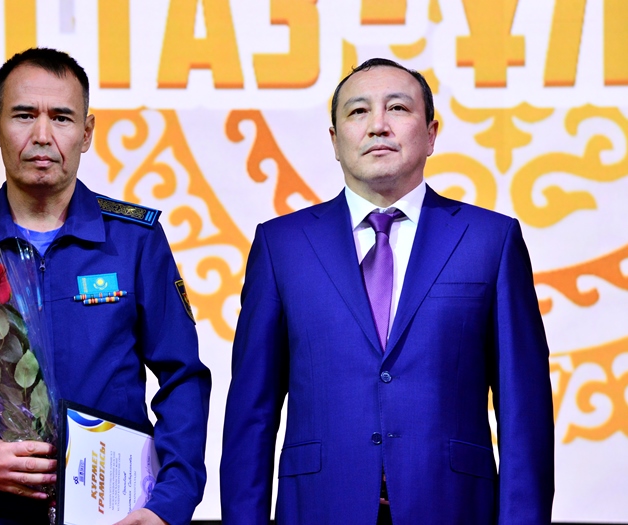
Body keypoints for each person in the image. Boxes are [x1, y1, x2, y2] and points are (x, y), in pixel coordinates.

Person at [0, 48, 211, 525]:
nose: (43, 135)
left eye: (62, 118)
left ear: (86, 133)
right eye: (24, 115)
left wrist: (167, 504)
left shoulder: (134, 242)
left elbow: (183, 379)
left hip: (113, 513)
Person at [219, 58, 555, 524]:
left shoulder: (489, 240)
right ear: (335, 141)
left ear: (431, 133)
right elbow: (250, 414)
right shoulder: (283, 245)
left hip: (453, 508)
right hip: (319, 508)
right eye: (358, 111)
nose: (378, 125)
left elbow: (524, 410)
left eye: (397, 108)